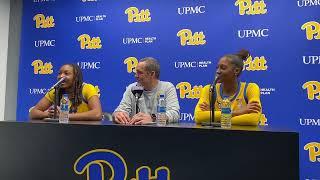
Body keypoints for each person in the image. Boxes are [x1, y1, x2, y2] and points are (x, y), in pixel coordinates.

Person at [194, 50, 262, 126]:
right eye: (217, 68)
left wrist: (213, 118)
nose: (218, 71)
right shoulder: (209, 89)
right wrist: (239, 112)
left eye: (223, 68)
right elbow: (198, 117)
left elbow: (253, 119)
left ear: (236, 71)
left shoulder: (251, 88)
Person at [113, 57, 180, 125]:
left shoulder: (167, 87)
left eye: (140, 73)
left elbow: (175, 114)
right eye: (136, 72)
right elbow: (121, 109)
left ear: (152, 74)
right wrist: (118, 114)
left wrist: (153, 118)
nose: (136, 76)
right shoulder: (132, 88)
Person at [29, 64, 102, 121]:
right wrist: (50, 114)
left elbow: (97, 114)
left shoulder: (87, 88)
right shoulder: (55, 91)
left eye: (66, 73)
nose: (61, 76)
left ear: (75, 77)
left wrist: (65, 116)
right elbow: (33, 113)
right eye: (59, 73)